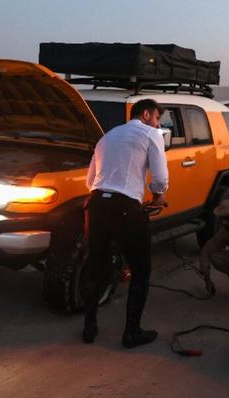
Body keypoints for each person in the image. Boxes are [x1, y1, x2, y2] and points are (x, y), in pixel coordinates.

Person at [82, 98, 169, 348]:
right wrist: (159, 195)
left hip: (95, 204)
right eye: (157, 118)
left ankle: (89, 326)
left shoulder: (107, 136)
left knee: (95, 266)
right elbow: (160, 176)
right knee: (141, 270)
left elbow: (91, 180)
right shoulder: (151, 134)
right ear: (146, 114)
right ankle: (132, 332)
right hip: (125, 208)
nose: (158, 124)